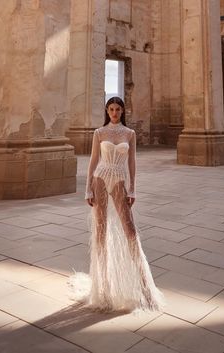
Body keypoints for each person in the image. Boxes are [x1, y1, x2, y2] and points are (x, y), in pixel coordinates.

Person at [71, 97, 165, 312]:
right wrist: (88, 188)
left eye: (118, 109)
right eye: (111, 109)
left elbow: (132, 162)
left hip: (120, 180)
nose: (114, 112)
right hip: (101, 179)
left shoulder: (129, 134)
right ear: (107, 110)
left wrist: (133, 188)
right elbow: (94, 161)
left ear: (122, 111)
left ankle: (145, 288)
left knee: (130, 232)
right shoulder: (99, 133)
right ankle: (102, 292)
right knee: (101, 232)